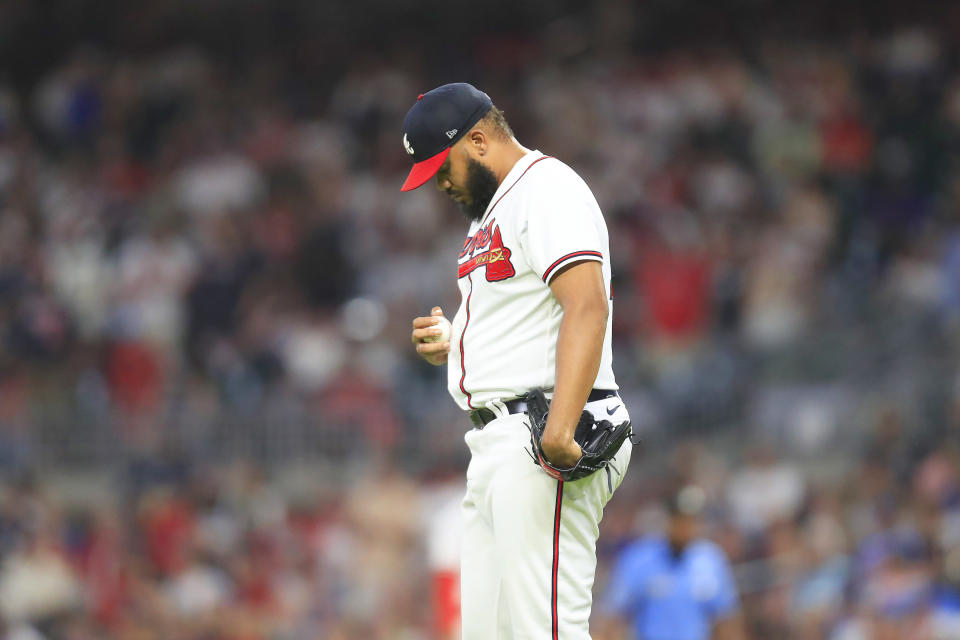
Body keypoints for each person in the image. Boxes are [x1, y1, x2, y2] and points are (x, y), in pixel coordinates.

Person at [403, 82, 633, 638]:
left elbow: (586, 305)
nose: (439, 181)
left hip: (541, 429)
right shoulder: (486, 215)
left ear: (478, 139)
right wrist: (455, 339)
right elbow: (524, 320)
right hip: (495, 442)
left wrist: (557, 431)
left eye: (443, 165)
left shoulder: (547, 188)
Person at [598, 486, 746, 640]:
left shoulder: (710, 560)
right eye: (679, 520)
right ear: (668, 520)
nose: (684, 528)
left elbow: (727, 620)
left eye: (690, 521)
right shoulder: (640, 558)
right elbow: (612, 615)